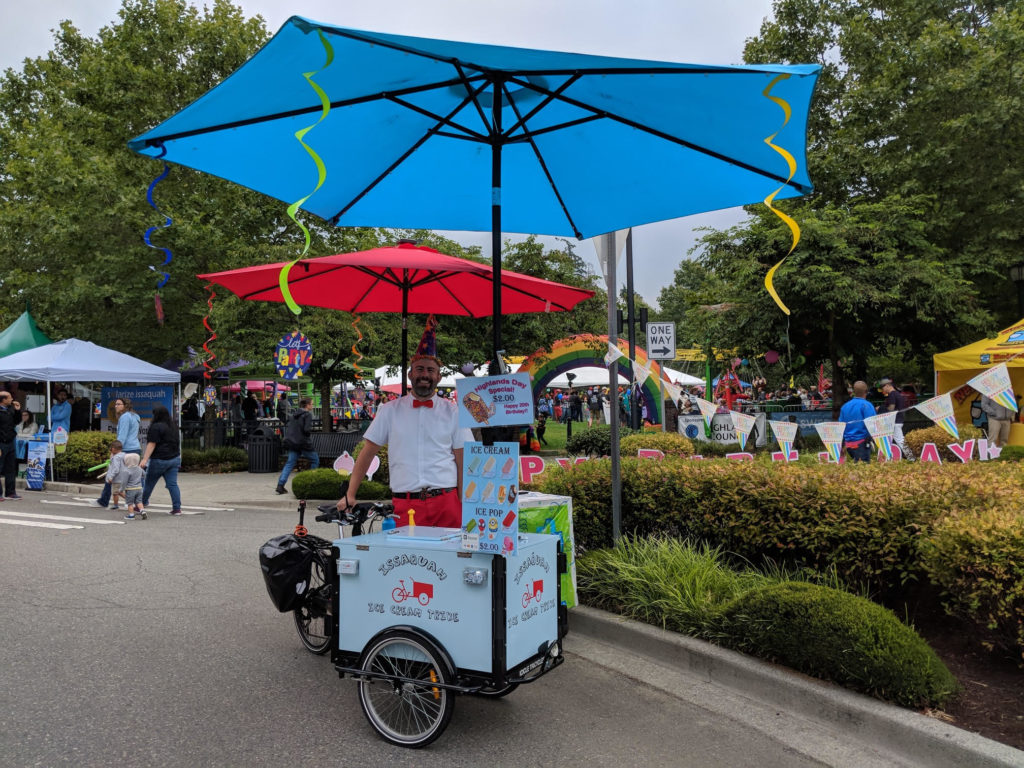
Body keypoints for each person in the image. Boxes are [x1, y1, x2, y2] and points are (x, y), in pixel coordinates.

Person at [335, 324, 472, 528]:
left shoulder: (454, 412)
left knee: (451, 557)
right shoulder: (389, 410)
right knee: (408, 559)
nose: (425, 374)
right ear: (410, 374)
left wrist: (465, 502)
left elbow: (463, 460)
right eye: (420, 369)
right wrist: (350, 495)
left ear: (438, 377)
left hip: (447, 502)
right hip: (405, 504)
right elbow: (367, 453)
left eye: (430, 370)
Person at [140, 404, 182, 516]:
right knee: (172, 484)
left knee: (149, 483)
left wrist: (144, 459)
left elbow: (152, 444)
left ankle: (141, 504)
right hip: (174, 458)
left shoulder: (156, 427)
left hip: (159, 459)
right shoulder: (173, 426)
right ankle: (177, 508)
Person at [276, 398, 319, 494]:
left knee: (290, 463)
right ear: (307, 405)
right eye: (311, 404)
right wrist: (307, 436)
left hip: (293, 442)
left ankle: (280, 485)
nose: (312, 406)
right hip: (303, 443)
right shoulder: (307, 415)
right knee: (315, 460)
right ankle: (310, 483)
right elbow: (306, 429)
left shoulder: (294, 415)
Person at [839, 380, 875, 463]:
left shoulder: (844, 407)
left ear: (854, 392)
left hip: (848, 445)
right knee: (863, 470)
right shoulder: (867, 405)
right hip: (862, 442)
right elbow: (872, 424)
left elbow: (841, 426)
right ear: (866, 391)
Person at [878, 378, 913, 459]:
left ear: (887, 385)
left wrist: (881, 408)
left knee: (900, 440)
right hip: (899, 419)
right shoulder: (898, 394)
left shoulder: (892, 394)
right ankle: (887, 457)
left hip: (894, 421)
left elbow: (891, 408)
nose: (882, 390)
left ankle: (911, 457)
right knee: (893, 440)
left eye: (882, 387)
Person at [89, 440, 125, 510]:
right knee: (118, 492)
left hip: (115, 478)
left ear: (113, 449)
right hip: (122, 477)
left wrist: (111, 477)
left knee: (116, 492)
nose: (110, 450)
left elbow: (116, 469)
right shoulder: (123, 455)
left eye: (111, 448)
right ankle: (128, 501)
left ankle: (118, 504)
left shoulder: (116, 458)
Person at [0, 391, 23, 500]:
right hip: (1, 442)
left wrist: (18, 411)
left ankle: (10, 492)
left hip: (10, 441)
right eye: (9, 398)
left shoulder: (10, 409)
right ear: (3, 400)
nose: (12, 399)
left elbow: (17, 421)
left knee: (10, 468)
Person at [111, 452, 146, 521]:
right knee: (139, 501)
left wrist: (121, 489)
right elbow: (144, 475)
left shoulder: (126, 471)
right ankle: (142, 511)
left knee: (129, 503)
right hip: (139, 488)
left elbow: (124, 482)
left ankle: (131, 515)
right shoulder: (139, 469)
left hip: (130, 489)